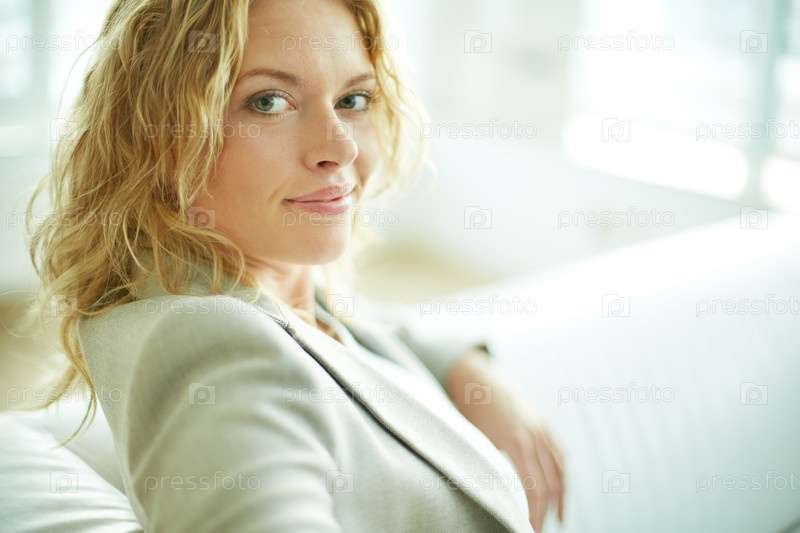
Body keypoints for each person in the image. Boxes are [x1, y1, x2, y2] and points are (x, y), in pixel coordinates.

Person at [27, 0, 565, 531]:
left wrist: (466, 369)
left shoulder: (276, 287)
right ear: (159, 137)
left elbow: (353, 334)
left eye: (353, 99)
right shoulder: (208, 346)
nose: (340, 147)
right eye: (269, 102)